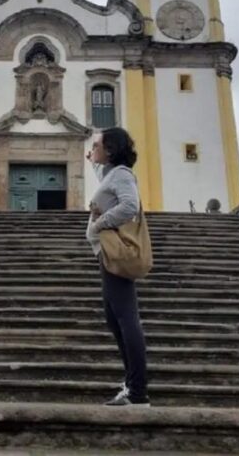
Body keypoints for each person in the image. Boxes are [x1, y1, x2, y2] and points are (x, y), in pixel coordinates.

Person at [86, 128, 150, 406]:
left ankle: (136, 391)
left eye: (97, 144)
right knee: (114, 319)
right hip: (106, 254)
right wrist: (91, 160)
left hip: (115, 252)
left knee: (126, 319)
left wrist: (99, 224)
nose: (93, 146)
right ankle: (131, 383)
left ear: (110, 150)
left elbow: (129, 206)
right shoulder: (111, 174)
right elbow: (105, 182)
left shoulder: (122, 174)